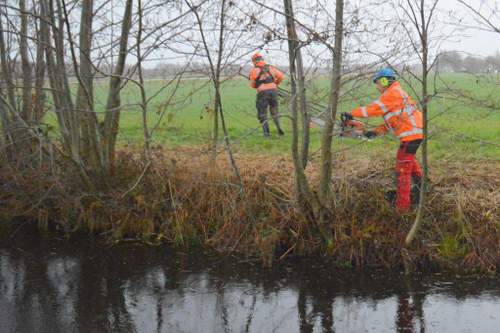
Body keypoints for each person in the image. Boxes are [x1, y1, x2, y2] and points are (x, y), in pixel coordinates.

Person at [342, 68, 424, 212]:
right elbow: (393, 122)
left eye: (377, 82)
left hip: (411, 135)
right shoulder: (396, 93)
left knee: (402, 169)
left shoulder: (392, 93)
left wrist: (352, 113)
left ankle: (402, 206)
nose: (377, 86)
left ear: (385, 80)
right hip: (414, 134)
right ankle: (422, 187)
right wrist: (375, 132)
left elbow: (372, 110)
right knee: (409, 160)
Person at [248, 52, 285, 137]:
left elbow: (252, 84)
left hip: (262, 92)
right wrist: (275, 84)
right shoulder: (271, 67)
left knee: (262, 113)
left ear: (254, 61)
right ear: (262, 59)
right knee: (274, 111)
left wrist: (259, 86)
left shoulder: (254, 70)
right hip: (274, 90)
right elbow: (281, 77)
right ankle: (279, 128)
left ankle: (267, 134)